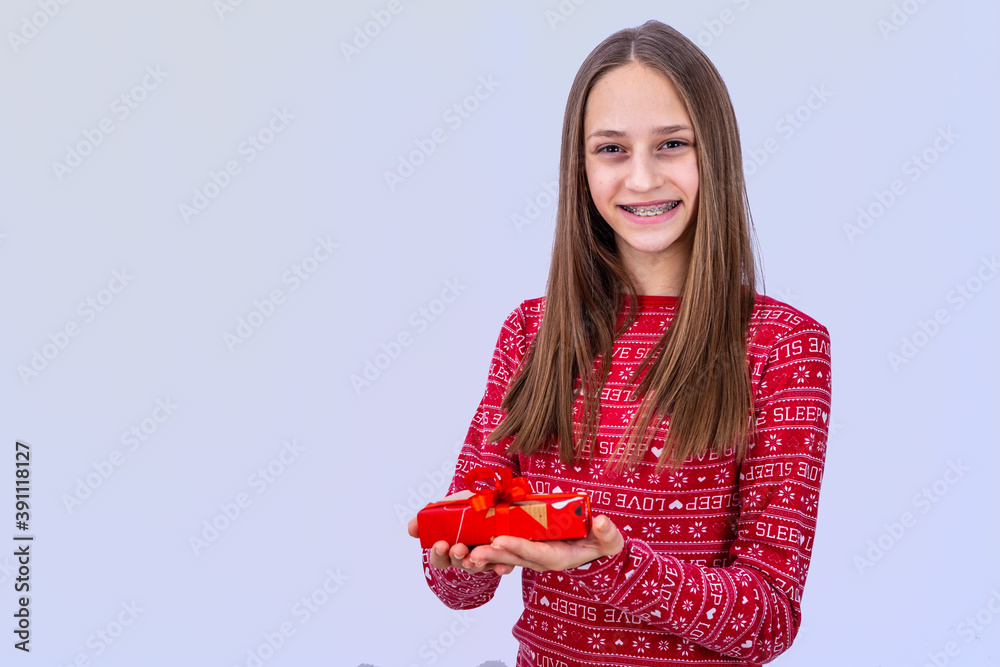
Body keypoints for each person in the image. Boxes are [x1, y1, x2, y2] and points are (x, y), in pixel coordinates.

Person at [407, 19, 832, 667]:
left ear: (714, 153)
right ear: (579, 166)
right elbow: (459, 591)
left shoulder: (782, 345)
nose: (640, 179)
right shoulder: (531, 332)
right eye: (611, 148)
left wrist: (610, 561)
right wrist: (458, 546)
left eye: (670, 144)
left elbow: (766, 619)